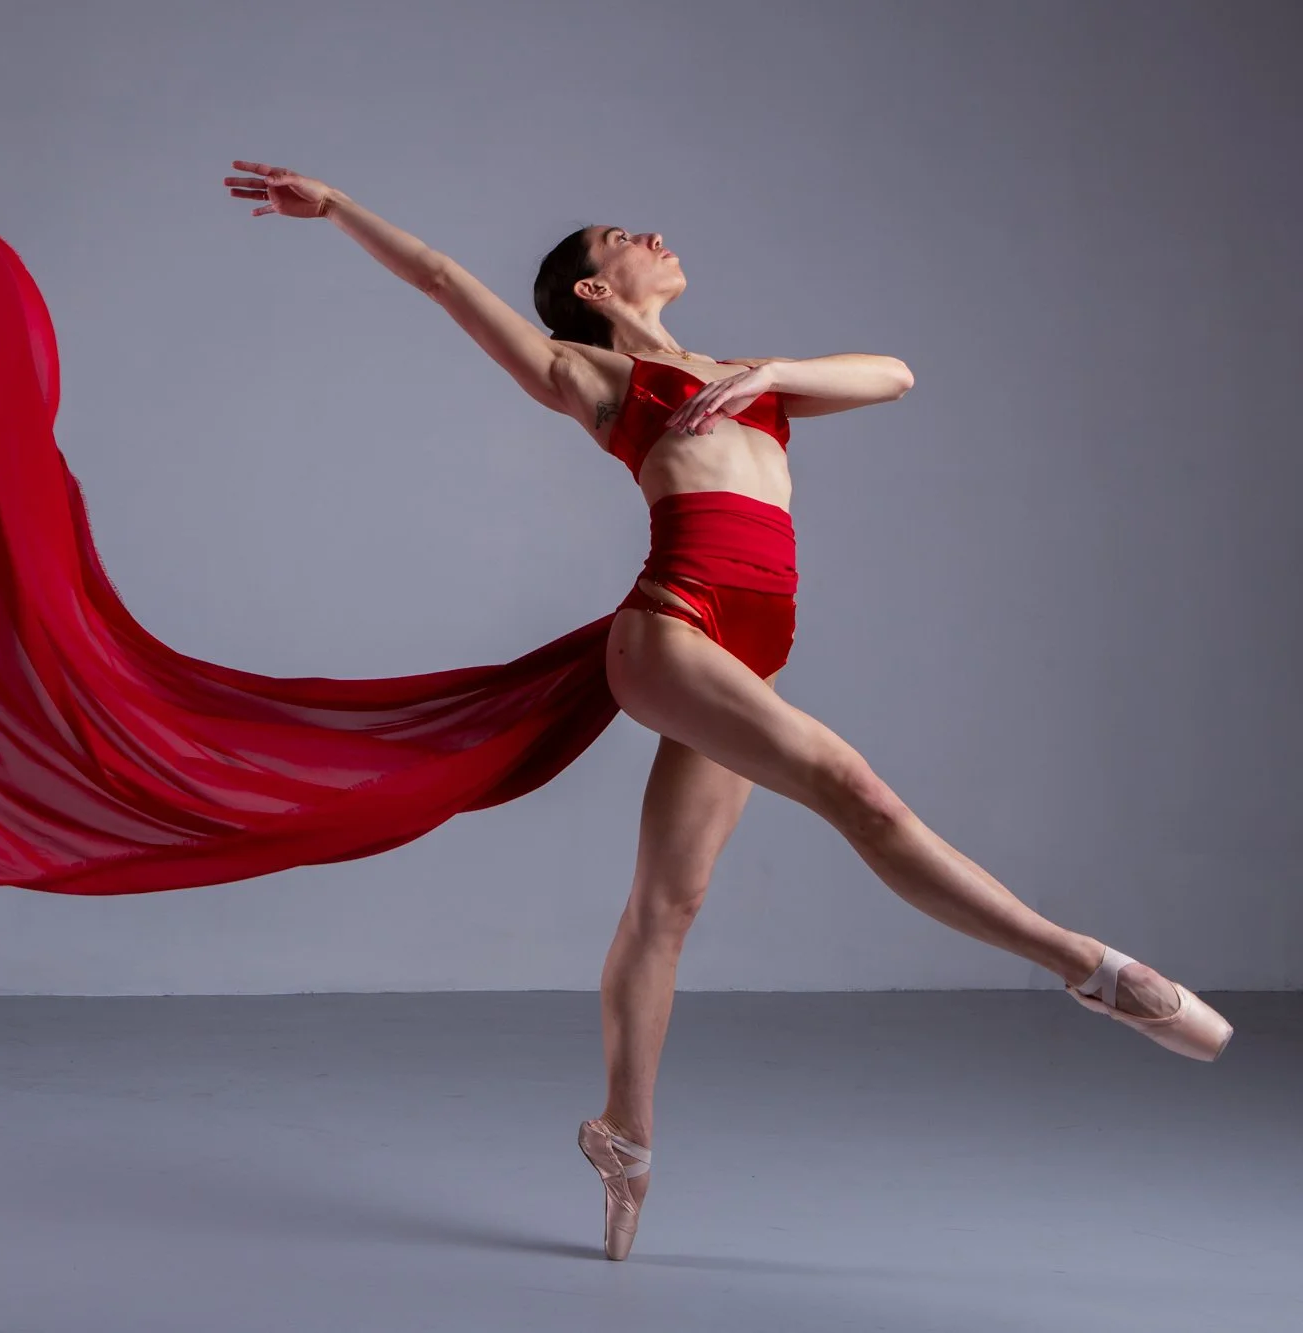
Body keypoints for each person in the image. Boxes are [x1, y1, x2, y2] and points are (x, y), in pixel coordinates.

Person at [222, 160, 1234, 1262]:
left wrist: (767, 374)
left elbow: (894, 374)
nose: (649, 232)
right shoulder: (594, 378)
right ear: (593, 292)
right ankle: (1089, 969)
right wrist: (338, 209)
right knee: (858, 792)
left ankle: (623, 1137)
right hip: (673, 630)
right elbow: (437, 278)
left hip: (748, 659)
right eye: (620, 234)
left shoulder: (748, 379)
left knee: (668, 905)